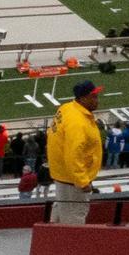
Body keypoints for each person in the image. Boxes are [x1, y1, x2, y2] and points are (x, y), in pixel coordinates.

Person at [47, 81, 104, 225]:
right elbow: (73, 153)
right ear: (83, 98)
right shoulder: (78, 122)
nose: (97, 99)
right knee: (75, 215)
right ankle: (71, 245)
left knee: (62, 207)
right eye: (93, 96)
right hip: (72, 179)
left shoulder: (67, 108)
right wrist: (82, 181)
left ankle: (51, 236)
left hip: (62, 173)